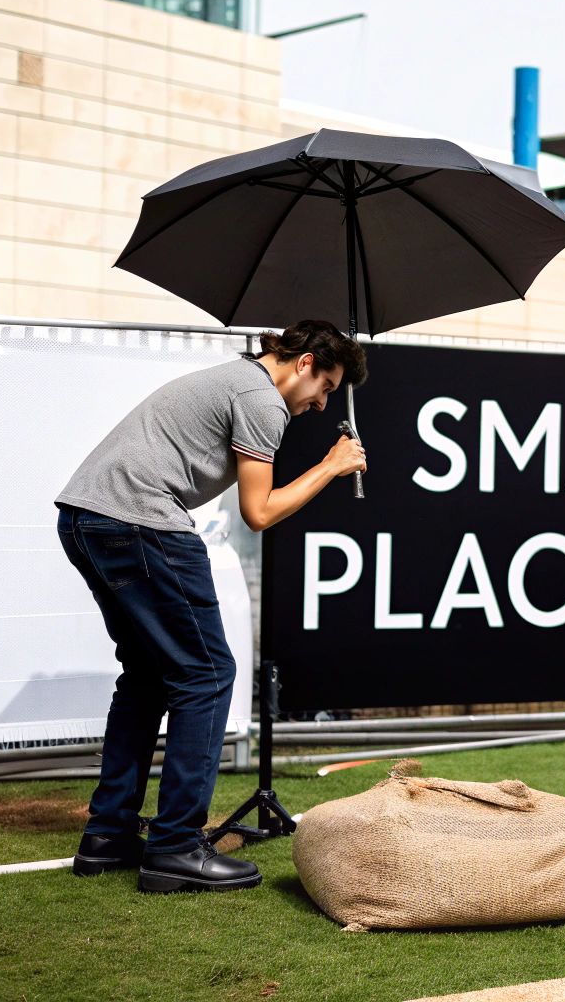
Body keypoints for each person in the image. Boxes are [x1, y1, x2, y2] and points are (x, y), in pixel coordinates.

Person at [53, 318, 368, 893]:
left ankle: (109, 835)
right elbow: (261, 511)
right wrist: (331, 465)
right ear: (303, 364)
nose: (323, 404)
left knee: (148, 675)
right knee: (208, 673)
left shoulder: (238, 381)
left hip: (84, 518)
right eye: (325, 386)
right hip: (137, 519)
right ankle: (175, 846)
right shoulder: (261, 401)